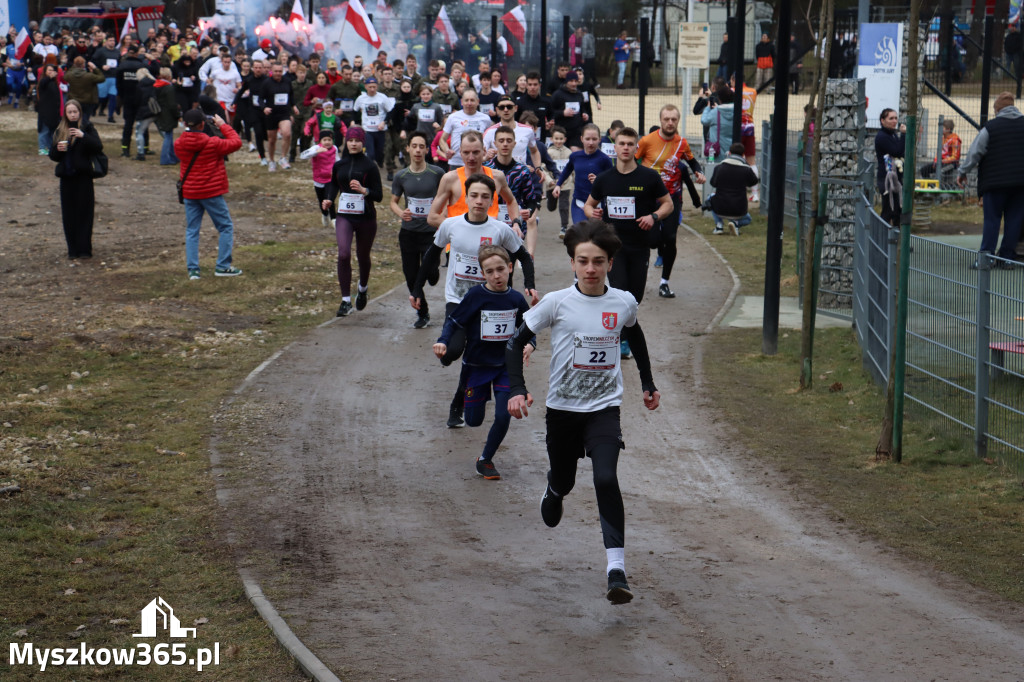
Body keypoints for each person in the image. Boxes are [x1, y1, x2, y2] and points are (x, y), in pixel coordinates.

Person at [505, 218, 661, 605]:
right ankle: (555, 488)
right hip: (562, 410)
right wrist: (519, 389)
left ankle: (616, 570)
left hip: (604, 408)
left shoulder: (623, 301)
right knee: (566, 480)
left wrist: (647, 382)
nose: (591, 269)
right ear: (572, 263)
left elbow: (635, 334)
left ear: (609, 263)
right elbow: (514, 344)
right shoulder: (556, 303)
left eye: (599, 261)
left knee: (606, 478)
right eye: (583, 261)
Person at [411, 173, 537, 428]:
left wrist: (530, 285)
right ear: (465, 197)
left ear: (492, 200)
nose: (479, 201)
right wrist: (417, 289)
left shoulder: (500, 229)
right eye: (474, 195)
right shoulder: (451, 225)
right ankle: (449, 356)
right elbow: (431, 256)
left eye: (485, 197)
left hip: (492, 303)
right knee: (455, 350)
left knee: (475, 354)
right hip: (458, 299)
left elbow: (523, 256)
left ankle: (458, 405)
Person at [435, 244, 534, 480]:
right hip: (476, 366)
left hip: (505, 368)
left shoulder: (516, 299)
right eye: (489, 271)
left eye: (501, 269)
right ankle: (462, 397)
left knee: (503, 416)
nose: (496, 275)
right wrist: (442, 341)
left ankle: (485, 459)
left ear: (510, 268)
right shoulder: (476, 296)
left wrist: (531, 344)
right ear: (482, 274)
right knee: (473, 420)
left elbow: (529, 327)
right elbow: (454, 322)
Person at [585, 127, 672, 358]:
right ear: (614, 147)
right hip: (613, 247)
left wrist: (653, 216)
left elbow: (668, 204)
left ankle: (624, 332)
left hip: (640, 246)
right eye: (621, 143)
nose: (625, 148)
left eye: (630, 144)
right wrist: (591, 213)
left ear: (636, 148)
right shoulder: (605, 179)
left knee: (634, 297)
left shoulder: (649, 177)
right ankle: (619, 339)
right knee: (620, 291)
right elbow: (588, 204)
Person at [637, 105, 706, 298]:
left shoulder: (681, 143)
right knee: (651, 242)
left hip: (672, 198)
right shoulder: (646, 141)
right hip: (649, 198)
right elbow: (632, 162)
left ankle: (664, 282)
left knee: (670, 238)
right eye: (666, 119)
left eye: (673, 119)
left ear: (677, 121)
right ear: (660, 120)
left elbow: (691, 160)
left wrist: (698, 172)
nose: (670, 123)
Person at [174, 109, 244, 279]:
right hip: (211, 192)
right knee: (225, 227)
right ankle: (222, 266)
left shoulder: (178, 144)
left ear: (184, 124)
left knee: (192, 230)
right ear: (203, 124)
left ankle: (193, 270)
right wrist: (222, 125)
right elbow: (236, 142)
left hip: (190, 192)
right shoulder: (213, 143)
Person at [322, 126, 384, 316]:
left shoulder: (370, 166)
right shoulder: (339, 164)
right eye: (350, 140)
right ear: (346, 142)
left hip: (366, 218)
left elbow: (379, 195)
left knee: (363, 256)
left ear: (362, 143)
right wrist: (330, 199)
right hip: (345, 217)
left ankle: (363, 289)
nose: (353, 144)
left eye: (357, 140)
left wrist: (364, 190)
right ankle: (345, 301)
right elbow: (333, 183)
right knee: (343, 254)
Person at [957, 91, 1024, 264]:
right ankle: (1007, 258)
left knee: (992, 219)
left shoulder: (990, 127)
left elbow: (975, 152)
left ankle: (986, 258)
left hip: (994, 183)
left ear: (997, 109)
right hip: (1020, 183)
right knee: (1014, 220)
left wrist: (962, 172)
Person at [391, 130, 446, 328]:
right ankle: (422, 313)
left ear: (426, 150)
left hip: (431, 232)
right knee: (411, 275)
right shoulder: (401, 176)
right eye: (414, 146)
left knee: (429, 270)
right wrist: (401, 213)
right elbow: (393, 202)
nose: (417, 150)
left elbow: (446, 196)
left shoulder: (437, 173)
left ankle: (434, 272)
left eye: (421, 146)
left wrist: (442, 217)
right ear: (408, 149)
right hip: (408, 232)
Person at [49, 99, 103, 260]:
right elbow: (52, 155)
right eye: (70, 112)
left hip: (84, 177)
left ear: (80, 112)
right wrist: (57, 149)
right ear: (65, 114)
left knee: (85, 213)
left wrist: (83, 136)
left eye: (75, 112)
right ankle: (72, 249)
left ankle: (85, 248)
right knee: (69, 215)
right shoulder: (60, 130)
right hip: (66, 178)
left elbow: (98, 146)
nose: (73, 114)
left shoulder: (87, 127)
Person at [486, 125, 541, 255]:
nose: (505, 144)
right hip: (489, 223)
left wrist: (529, 211)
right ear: (495, 144)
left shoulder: (522, 171)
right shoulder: (486, 169)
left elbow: (531, 201)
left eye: (509, 141)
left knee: (508, 266)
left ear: (515, 144)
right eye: (501, 140)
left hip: (515, 224)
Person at [553, 123, 613, 229]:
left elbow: (612, 180)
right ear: (581, 139)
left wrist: (599, 181)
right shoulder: (575, 156)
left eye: (594, 139)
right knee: (581, 232)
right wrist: (558, 185)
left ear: (599, 139)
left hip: (598, 205)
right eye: (587, 139)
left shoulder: (604, 159)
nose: (591, 142)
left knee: (596, 235)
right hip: (579, 203)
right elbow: (567, 170)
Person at [707, 143, 758, 235]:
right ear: (743, 155)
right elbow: (754, 182)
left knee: (709, 197)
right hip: (739, 209)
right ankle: (736, 224)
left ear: (729, 153)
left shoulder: (719, 167)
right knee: (748, 219)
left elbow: (713, 183)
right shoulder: (746, 169)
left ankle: (719, 225)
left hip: (720, 207)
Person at [439, 90, 493, 168]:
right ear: (461, 102)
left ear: (478, 102)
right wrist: (447, 151)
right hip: (456, 162)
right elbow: (442, 140)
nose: (469, 103)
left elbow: (490, 139)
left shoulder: (485, 119)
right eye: (466, 100)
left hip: (478, 162)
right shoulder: (453, 117)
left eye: (472, 100)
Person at [260, 62, 297, 171]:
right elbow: (260, 99)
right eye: (276, 71)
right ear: (272, 71)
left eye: (280, 71)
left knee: (287, 133)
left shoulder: (287, 81)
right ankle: (271, 161)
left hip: (284, 113)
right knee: (272, 140)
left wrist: (294, 106)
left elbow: (291, 95)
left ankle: (283, 158)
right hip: (271, 114)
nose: (278, 73)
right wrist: (264, 108)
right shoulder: (266, 83)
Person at [300, 129, 341, 227]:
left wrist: (338, 170)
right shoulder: (315, 148)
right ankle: (324, 214)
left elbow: (338, 160)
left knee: (329, 199)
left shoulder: (334, 148)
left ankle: (334, 219)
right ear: (320, 141)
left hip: (330, 179)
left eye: (329, 140)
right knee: (321, 200)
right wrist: (316, 152)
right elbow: (302, 156)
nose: (327, 142)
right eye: (324, 140)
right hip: (318, 179)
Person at [353, 76, 395, 167]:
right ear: (366, 86)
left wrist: (384, 122)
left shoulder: (382, 97)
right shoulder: (361, 98)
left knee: (380, 152)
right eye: (370, 87)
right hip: (367, 130)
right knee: (370, 153)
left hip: (380, 130)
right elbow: (355, 110)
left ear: (377, 86)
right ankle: (370, 169)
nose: (372, 89)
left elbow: (390, 111)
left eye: (374, 87)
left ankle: (380, 160)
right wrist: (355, 122)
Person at [874, 107, 906, 227]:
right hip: (887, 180)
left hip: (895, 179)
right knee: (889, 210)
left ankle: (894, 240)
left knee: (897, 210)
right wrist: (903, 135)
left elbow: (901, 152)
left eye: (896, 118)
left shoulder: (892, 135)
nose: (894, 121)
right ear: (883, 120)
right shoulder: (882, 137)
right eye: (891, 118)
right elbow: (897, 151)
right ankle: (881, 239)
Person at [546, 126, 573, 237]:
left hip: (565, 185)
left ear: (565, 139)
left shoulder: (569, 152)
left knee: (564, 206)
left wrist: (575, 180)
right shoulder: (549, 152)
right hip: (552, 184)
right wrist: (549, 181)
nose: (558, 141)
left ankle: (564, 227)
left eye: (561, 139)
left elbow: (573, 169)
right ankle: (551, 203)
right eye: (556, 138)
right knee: (551, 207)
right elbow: (544, 168)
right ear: (552, 139)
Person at [550, 70, 587, 149]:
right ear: (566, 81)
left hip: (576, 131)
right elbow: (550, 112)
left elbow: (582, 109)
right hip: (562, 131)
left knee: (575, 153)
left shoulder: (579, 94)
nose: (574, 83)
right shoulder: (558, 94)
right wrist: (563, 113)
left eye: (575, 81)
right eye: (571, 81)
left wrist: (584, 115)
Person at [64, 56, 105, 125]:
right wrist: (95, 69)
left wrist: (74, 66)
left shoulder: (69, 75)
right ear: (83, 65)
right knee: (85, 119)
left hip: (74, 100)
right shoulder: (89, 76)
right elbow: (102, 78)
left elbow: (66, 76)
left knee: (74, 119)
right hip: (87, 101)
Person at [920, 119, 961, 185]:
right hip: (940, 162)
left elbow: (955, 157)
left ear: (948, 129)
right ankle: (931, 186)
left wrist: (942, 161)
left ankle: (939, 187)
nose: (940, 129)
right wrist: (936, 161)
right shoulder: (942, 138)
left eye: (942, 128)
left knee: (940, 171)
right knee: (924, 170)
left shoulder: (955, 140)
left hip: (951, 163)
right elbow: (938, 152)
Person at [700, 85, 735, 162]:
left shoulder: (715, 113)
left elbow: (704, 120)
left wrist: (707, 108)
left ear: (719, 99)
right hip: (733, 152)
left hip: (717, 154)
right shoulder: (738, 112)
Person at [153, 67, 180, 165]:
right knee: (168, 136)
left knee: (169, 136)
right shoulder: (168, 87)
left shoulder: (156, 85)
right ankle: (165, 159)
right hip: (168, 114)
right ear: (169, 76)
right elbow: (172, 104)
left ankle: (173, 156)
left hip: (161, 113)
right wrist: (177, 114)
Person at [36, 64, 62, 155]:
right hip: (45, 111)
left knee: (52, 130)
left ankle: (50, 147)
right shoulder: (43, 81)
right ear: (45, 71)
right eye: (49, 70)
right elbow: (42, 84)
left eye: (53, 70)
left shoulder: (54, 83)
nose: (51, 72)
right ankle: (42, 148)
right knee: (44, 130)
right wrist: (49, 78)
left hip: (54, 111)